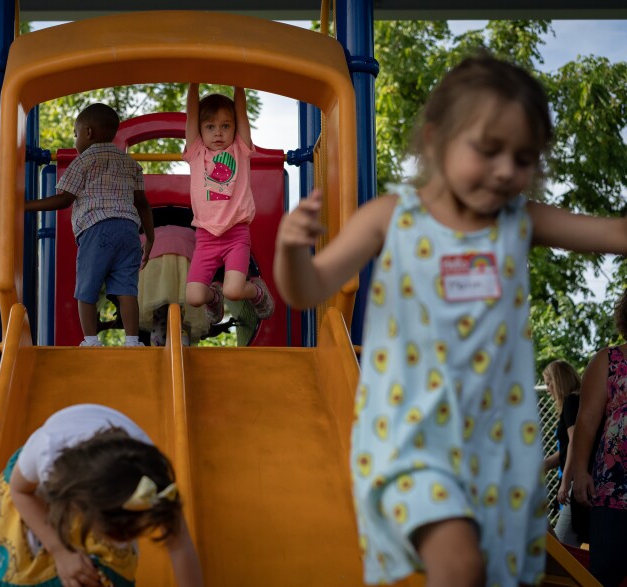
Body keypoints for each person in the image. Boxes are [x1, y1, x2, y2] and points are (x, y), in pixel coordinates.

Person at [274, 53, 627, 587]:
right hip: (414, 437)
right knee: (458, 563)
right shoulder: (391, 216)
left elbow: (616, 234)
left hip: (496, 445)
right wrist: (291, 252)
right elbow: (308, 289)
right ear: (437, 140)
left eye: (524, 157)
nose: (507, 169)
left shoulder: (519, 220)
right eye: (488, 150)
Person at [0, 404, 202, 587]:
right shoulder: (46, 450)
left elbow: (180, 548)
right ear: (82, 508)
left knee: (102, 569)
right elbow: (20, 491)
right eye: (115, 533)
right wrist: (60, 550)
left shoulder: (151, 480)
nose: (123, 540)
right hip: (30, 496)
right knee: (28, 569)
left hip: (103, 483)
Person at [27, 103, 154, 348]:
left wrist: (26, 205)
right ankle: (132, 341)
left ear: (87, 132)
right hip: (129, 230)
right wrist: (150, 238)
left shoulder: (83, 161)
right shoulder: (130, 163)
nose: (75, 140)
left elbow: (64, 199)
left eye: (75, 134)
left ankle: (91, 341)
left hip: (96, 229)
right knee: (127, 289)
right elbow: (143, 204)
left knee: (86, 288)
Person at [183, 83, 274, 326]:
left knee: (235, 291)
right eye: (210, 127)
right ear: (201, 131)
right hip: (206, 237)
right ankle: (214, 296)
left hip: (235, 234)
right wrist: (193, 83)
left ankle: (257, 291)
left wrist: (239, 82)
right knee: (193, 297)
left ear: (234, 128)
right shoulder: (196, 153)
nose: (218, 133)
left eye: (226, 126)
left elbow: (242, 112)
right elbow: (192, 114)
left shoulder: (240, 150)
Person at [570, 287, 627, 587]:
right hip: (613, 494)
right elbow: (587, 419)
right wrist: (579, 470)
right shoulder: (608, 359)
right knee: (604, 575)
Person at [138, 224, 210, 346]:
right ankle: (182, 345)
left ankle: (159, 347)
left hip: (153, 265)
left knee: (158, 314)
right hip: (185, 261)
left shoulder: (144, 236)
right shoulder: (192, 234)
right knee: (185, 313)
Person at [540, 360, 583, 547]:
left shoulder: (571, 402)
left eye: (549, 383)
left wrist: (565, 482)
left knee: (561, 548)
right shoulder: (579, 401)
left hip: (575, 483)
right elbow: (566, 450)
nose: (547, 388)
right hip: (581, 479)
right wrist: (544, 465)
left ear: (559, 381)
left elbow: (576, 442)